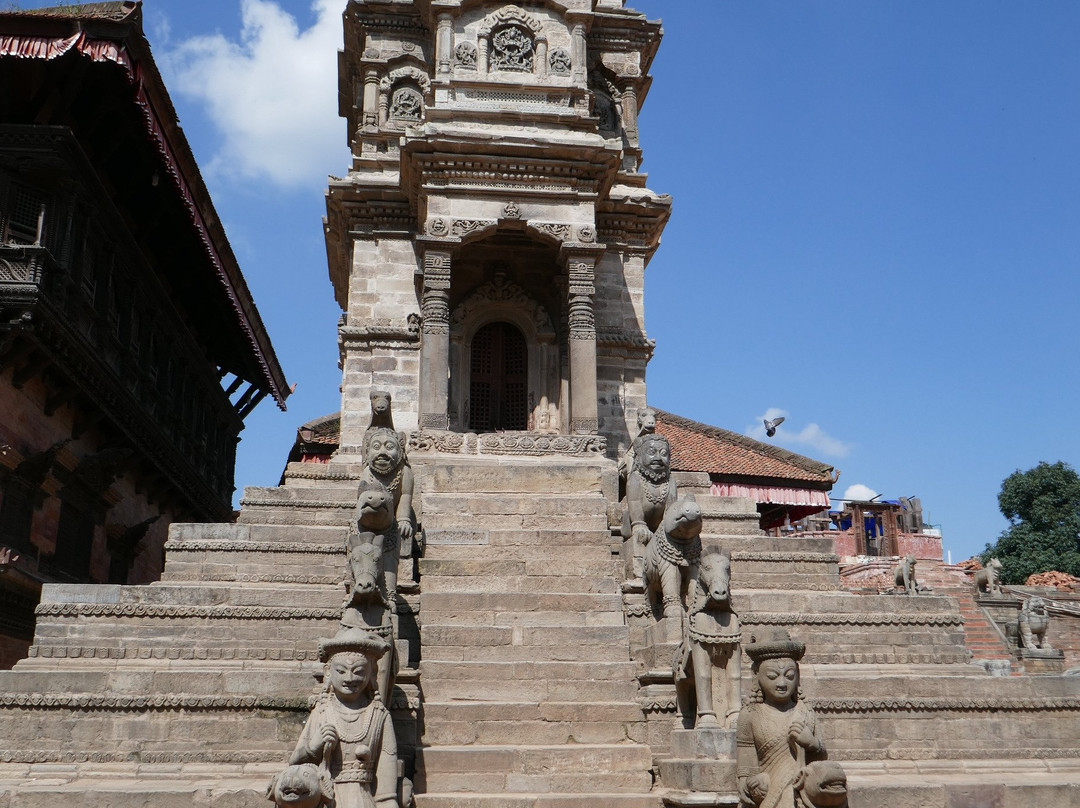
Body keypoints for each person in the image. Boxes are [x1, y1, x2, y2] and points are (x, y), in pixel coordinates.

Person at [289, 629, 399, 808]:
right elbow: (294, 765)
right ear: (328, 672)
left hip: (364, 800)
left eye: (358, 671)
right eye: (341, 671)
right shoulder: (322, 712)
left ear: (372, 673)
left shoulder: (379, 716)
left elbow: (387, 793)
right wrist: (312, 749)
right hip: (326, 798)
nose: (349, 678)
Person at [736, 630, 826, 808]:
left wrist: (812, 744)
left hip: (801, 795)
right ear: (756, 676)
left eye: (790, 676)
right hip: (769, 796)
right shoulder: (749, 714)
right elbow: (745, 770)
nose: (782, 683)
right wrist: (750, 784)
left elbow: (821, 761)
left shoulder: (805, 711)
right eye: (772, 676)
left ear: (798, 676)